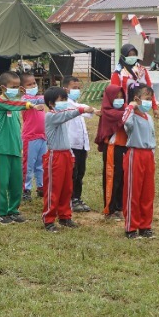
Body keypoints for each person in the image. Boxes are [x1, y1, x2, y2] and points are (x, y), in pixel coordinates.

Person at [40, 86, 94, 231]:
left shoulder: (60, 115)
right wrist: (81, 110)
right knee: (54, 189)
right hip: (55, 156)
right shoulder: (51, 116)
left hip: (65, 155)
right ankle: (49, 219)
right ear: (51, 103)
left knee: (67, 188)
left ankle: (65, 216)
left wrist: (71, 155)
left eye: (65, 99)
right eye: (61, 100)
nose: (64, 102)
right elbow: (68, 114)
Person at [0, 71, 32, 224]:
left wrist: (20, 96)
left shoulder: (15, 103)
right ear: (3, 88)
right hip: (2, 149)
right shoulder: (0, 102)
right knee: (1, 183)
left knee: (16, 183)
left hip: (16, 149)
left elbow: (15, 102)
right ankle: (1, 212)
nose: (16, 89)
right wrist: (28, 104)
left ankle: (13, 210)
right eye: (13, 87)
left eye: (18, 86)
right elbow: (14, 104)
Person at [120, 84, 157, 239]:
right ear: (137, 99)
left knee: (147, 193)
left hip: (148, 156)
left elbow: (152, 137)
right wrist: (130, 106)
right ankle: (131, 227)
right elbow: (124, 121)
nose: (150, 102)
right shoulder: (131, 116)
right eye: (147, 98)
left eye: (151, 99)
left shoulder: (148, 117)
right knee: (133, 192)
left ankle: (145, 226)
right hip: (135, 154)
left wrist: (153, 156)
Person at [96, 84, 129, 219]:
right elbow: (123, 116)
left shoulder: (125, 110)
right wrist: (131, 109)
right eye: (116, 97)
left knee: (122, 178)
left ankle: (119, 207)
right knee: (112, 178)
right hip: (112, 148)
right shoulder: (107, 112)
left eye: (121, 97)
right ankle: (109, 209)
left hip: (125, 147)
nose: (119, 100)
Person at [63, 76, 93, 212]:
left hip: (81, 145)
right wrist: (91, 109)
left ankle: (77, 197)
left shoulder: (76, 104)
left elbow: (84, 111)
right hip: (71, 146)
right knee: (72, 174)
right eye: (74, 88)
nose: (77, 90)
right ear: (65, 89)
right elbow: (81, 108)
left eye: (78, 88)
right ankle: (70, 199)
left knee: (80, 173)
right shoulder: (66, 104)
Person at [20, 72, 46, 200]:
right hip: (30, 137)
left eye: (34, 83)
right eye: (29, 84)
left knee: (41, 164)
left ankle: (41, 187)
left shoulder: (39, 98)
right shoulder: (24, 100)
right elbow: (34, 101)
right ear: (22, 88)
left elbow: (44, 99)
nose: (33, 86)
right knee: (28, 165)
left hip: (43, 137)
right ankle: (26, 189)